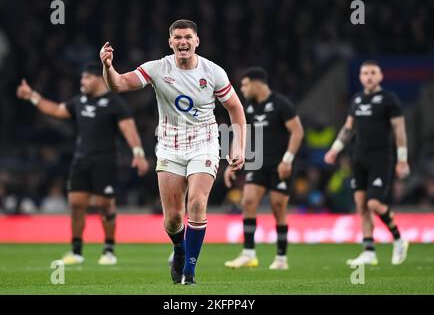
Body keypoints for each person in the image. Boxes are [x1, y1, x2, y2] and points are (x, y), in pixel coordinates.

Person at [100, 19, 246, 285]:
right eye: (177, 37)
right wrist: (108, 67)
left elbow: (235, 108)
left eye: (188, 37)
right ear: (170, 42)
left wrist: (238, 145)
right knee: (173, 219)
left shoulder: (213, 72)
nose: (183, 42)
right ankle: (179, 249)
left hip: (205, 143)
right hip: (169, 146)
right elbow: (118, 84)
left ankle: (189, 272)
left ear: (196, 41)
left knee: (198, 204)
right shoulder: (157, 68)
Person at [16, 62, 149, 265]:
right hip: (81, 160)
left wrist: (138, 154)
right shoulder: (79, 102)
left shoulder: (115, 103)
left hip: (105, 160)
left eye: (86, 78)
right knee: (76, 205)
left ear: (97, 79)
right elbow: (56, 111)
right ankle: (76, 251)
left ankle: (109, 250)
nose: (82, 82)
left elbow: (129, 130)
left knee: (104, 205)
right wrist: (32, 96)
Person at [324, 60, 410, 265]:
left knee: (374, 203)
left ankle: (399, 239)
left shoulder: (389, 99)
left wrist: (403, 159)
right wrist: (335, 150)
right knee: (361, 204)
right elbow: (348, 128)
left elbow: (399, 130)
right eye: (365, 73)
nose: (369, 77)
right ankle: (369, 251)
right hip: (359, 157)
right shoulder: (357, 99)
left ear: (380, 76)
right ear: (361, 77)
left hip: (381, 157)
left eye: (373, 73)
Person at [224, 67, 304, 270]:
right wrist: (233, 161)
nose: (242, 89)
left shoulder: (281, 104)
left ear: (256, 83)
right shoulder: (248, 107)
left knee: (278, 207)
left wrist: (287, 159)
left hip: (280, 165)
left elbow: (297, 132)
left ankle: (281, 258)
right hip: (257, 162)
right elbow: (242, 133)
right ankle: (249, 254)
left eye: (244, 84)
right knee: (248, 201)